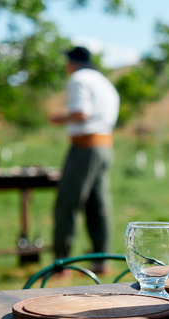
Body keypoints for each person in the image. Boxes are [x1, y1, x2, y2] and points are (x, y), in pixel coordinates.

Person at [48, 46, 120, 274]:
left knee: (67, 203)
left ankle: (61, 263)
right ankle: (101, 259)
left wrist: (59, 118)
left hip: (84, 147)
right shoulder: (104, 81)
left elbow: (81, 112)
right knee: (98, 204)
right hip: (104, 146)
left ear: (73, 62)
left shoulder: (79, 79)